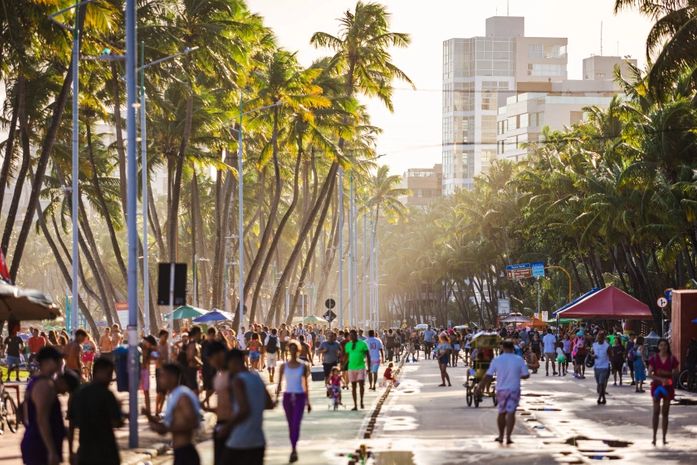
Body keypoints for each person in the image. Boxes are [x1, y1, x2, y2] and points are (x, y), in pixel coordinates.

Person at [220, 349, 274, 465]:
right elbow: (269, 404)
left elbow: (244, 409)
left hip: (240, 440)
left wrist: (227, 427)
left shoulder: (238, 380)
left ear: (234, 362)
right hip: (258, 440)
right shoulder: (256, 377)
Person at [68, 357, 124, 465]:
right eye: (108, 374)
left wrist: (71, 452)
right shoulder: (107, 395)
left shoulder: (78, 393)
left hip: (85, 453)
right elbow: (116, 422)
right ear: (98, 372)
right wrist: (119, 409)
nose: (110, 378)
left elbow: (72, 425)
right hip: (106, 453)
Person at [476, 340, 530, 445]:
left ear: (503, 348)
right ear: (513, 348)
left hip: (501, 389)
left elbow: (488, 375)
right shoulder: (519, 359)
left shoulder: (497, 360)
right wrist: (518, 375)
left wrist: (480, 387)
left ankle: (501, 436)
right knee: (511, 413)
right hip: (514, 389)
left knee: (501, 412)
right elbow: (526, 375)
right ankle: (508, 437)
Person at [149, 363, 202, 465]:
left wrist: (168, 428)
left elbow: (193, 422)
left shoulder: (182, 396)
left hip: (186, 453)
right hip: (179, 452)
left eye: (163, 376)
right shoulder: (172, 396)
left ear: (173, 377)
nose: (160, 379)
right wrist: (150, 418)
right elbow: (166, 428)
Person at [20, 346, 66, 465]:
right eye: (59, 361)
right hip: (40, 446)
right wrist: (51, 451)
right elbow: (42, 419)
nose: (62, 364)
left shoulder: (40, 382)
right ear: (49, 362)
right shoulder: (44, 385)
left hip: (38, 442)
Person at [275, 341, 312, 463]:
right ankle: (293, 446)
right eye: (291, 349)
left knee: (296, 423)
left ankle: (294, 449)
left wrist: (308, 401)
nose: (293, 351)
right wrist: (276, 398)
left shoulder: (303, 366)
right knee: (291, 425)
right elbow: (279, 384)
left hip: (300, 396)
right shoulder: (283, 366)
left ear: (298, 350)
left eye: (295, 349)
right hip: (287, 397)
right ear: (288, 351)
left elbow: (306, 385)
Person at [648, 338, 680, 446]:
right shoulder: (654, 359)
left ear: (668, 347)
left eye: (665, 345)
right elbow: (649, 373)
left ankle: (664, 437)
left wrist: (667, 375)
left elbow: (676, 372)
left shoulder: (672, 359)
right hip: (657, 387)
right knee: (656, 412)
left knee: (665, 413)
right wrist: (660, 379)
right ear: (658, 347)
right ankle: (654, 437)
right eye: (661, 345)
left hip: (668, 387)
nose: (663, 347)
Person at [203, 341, 228, 465]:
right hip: (221, 426)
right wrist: (209, 409)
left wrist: (228, 426)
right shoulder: (219, 377)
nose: (210, 362)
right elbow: (224, 408)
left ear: (220, 355)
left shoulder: (233, 376)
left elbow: (242, 407)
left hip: (231, 428)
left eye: (211, 358)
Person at [344, 329, 370, 410]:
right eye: (350, 335)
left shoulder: (363, 344)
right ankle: (355, 405)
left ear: (356, 335)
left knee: (361, 385)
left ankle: (361, 401)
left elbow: (368, 355)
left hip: (361, 367)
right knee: (353, 386)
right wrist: (343, 365)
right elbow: (347, 356)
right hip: (351, 368)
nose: (351, 337)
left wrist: (369, 367)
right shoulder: (348, 345)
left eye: (353, 335)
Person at [592, 331, 611, 405]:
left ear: (603, 338)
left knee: (601, 383)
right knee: (599, 384)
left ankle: (599, 398)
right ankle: (604, 398)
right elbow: (593, 353)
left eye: (601, 338)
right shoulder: (594, 345)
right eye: (598, 337)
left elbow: (611, 355)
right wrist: (592, 356)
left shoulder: (607, 346)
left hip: (604, 367)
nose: (599, 339)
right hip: (596, 367)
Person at [140, 335, 157, 415]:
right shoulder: (139, 347)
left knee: (146, 391)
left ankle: (148, 410)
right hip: (138, 371)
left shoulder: (150, 350)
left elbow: (156, 356)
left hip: (145, 371)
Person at [155, 329, 170, 416]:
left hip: (167, 370)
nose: (166, 338)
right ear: (161, 336)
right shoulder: (157, 346)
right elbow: (154, 356)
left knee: (164, 392)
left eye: (167, 336)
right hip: (159, 369)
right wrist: (159, 358)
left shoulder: (168, 345)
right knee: (160, 392)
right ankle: (156, 408)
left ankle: (160, 409)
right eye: (165, 336)